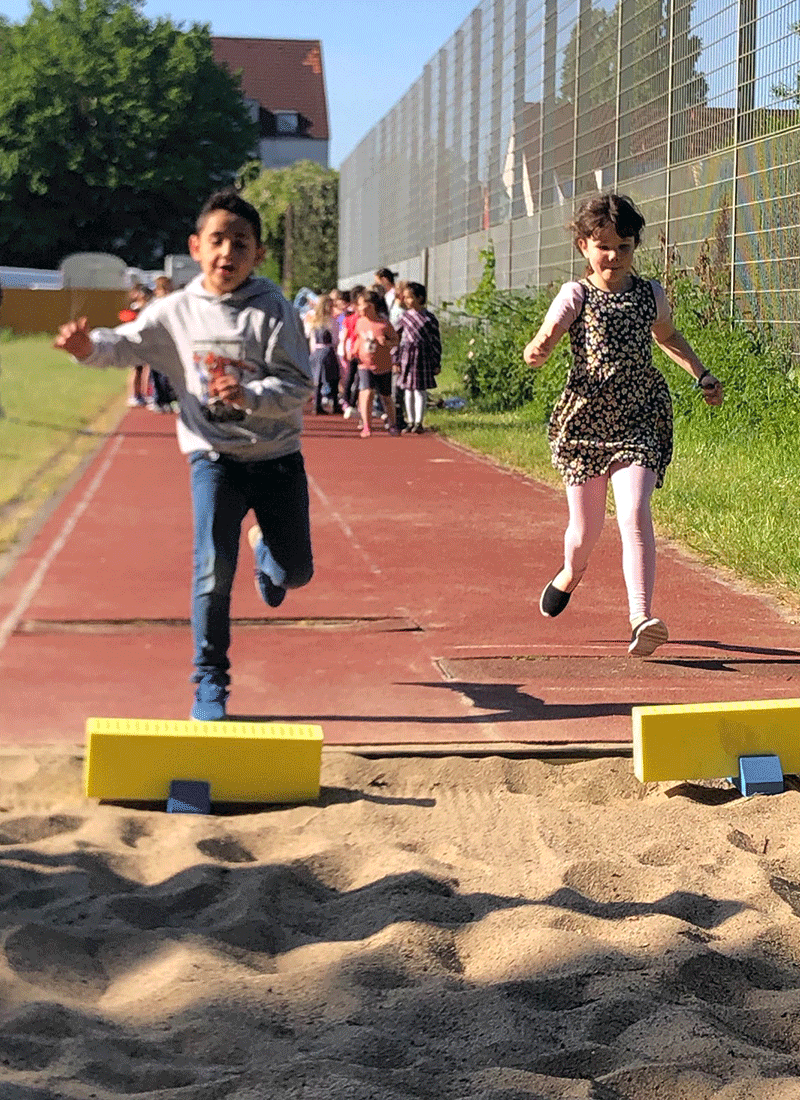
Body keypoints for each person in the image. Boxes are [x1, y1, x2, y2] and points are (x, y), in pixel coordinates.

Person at [54, 188, 314, 720]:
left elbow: (299, 385)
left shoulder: (275, 312)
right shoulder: (175, 312)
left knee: (298, 573)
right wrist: (87, 348)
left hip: (277, 458)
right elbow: (123, 345)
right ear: (196, 247)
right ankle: (210, 680)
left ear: (258, 254)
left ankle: (269, 553)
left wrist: (251, 396)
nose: (228, 253)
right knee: (212, 570)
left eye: (240, 243)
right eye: (217, 240)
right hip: (213, 460)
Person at [523, 192, 723, 657]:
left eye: (624, 246)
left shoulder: (650, 293)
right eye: (603, 246)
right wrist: (540, 347)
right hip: (587, 419)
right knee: (585, 533)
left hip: (641, 415)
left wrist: (702, 374)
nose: (613, 256)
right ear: (583, 247)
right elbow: (551, 330)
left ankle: (641, 617)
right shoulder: (577, 293)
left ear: (635, 247)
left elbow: (668, 335)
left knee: (634, 511)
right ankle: (571, 573)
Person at [352, 289, 399, 437]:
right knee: (367, 392)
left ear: (370, 306)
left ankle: (392, 424)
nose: (358, 308)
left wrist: (386, 342)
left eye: (360, 305)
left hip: (383, 365)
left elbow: (396, 340)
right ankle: (367, 426)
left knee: (386, 396)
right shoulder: (360, 322)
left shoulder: (383, 324)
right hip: (364, 364)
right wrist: (354, 350)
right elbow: (359, 338)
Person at [396, 281, 441, 434]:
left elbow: (436, 340)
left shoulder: (429, 318)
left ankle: (418, 421)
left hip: (423, 355)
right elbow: (395, 338)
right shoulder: (403, 317)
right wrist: (395, 358)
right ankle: (410, 420)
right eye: (405, 298)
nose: (407, 301)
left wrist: (436, 361)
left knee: (420, 389)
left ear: (420, 298)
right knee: (408, 389)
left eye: (410, 297)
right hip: (407, 354)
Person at [308, 293, 342, 414]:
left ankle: (316, 404)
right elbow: (335, 339)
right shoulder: (332, 321)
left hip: (316, 351)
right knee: (334, 377)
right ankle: (335, 404)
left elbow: (310, 337)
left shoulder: (313, 320)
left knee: (317, 378)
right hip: (328, 350)